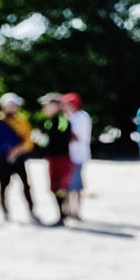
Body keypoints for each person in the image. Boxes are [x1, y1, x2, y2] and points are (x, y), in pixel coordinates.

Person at [0, 92, 37, 223]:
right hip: (4, 158)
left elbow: (28, 139)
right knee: (4, 187)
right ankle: (5, 212)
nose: (12, 108)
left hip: (19, 158)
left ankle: (32, 210)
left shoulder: (22, 120)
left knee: (26, 185)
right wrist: (9, 151)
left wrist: (18, 150)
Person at [31, 94, 72, 226]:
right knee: (55, 187)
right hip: (53, 157)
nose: (45, 108)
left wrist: (42, 140)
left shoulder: (61, 120)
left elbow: (60, 138)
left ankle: (62, 215)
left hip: (60, 157)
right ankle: (62, 214)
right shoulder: (50, 121)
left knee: (60, 186)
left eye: (47, 105)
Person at [61, 92, 92, 220]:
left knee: (76, 185)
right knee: (66, 186)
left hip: (77, 156)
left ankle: (77, 211)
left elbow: (77, 136)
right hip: (67, 155)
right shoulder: (65, 117)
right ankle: (68, 210)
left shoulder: (82, 117)